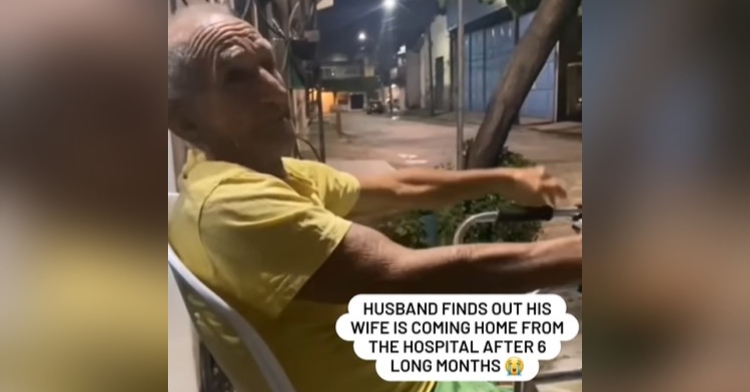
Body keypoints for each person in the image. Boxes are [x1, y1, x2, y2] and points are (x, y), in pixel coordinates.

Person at [167, 5, 582, 392]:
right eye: (236, 77)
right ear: (185, 121)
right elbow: (404, 274)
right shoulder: (233, 207)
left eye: (268, 65)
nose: (275, 90)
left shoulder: (254, 174)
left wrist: (503, 178)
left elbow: (402, 188)